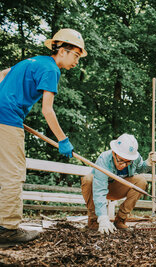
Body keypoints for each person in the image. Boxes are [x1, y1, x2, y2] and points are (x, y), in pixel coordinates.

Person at [0, 28, 87, 245]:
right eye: (76, 55)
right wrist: (62, 140)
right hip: (7, 119)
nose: (77, 62)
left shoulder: (32, 61)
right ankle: (7, 229)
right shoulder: (51, 70)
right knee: (13, 173)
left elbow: (2, 74)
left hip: (5, 114)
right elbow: (47, 110)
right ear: (63, 51)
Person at [81, 133, 156, 234]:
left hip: (118, 189)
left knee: (141, 181)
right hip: (99, 188)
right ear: (114, 153)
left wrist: (148, 162)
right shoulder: (104, 159)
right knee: (88, 179)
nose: (123, 165)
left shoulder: (134, 158)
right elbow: (99, 190)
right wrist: (103, 218)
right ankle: (94, 220)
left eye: (128, 162)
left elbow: (141, 168)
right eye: (121, 161)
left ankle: (120, 219)